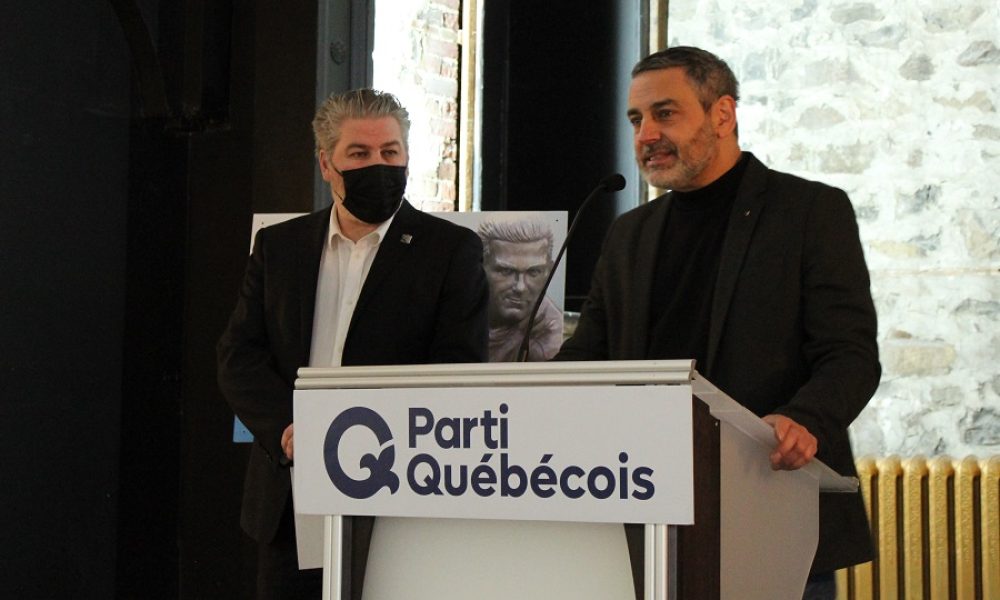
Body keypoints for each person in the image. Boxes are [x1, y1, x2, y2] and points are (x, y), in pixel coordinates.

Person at [555, 46, 880, 600]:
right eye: (636, 119)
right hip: (644, 509)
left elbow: (849, 354)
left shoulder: (808, 212)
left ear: (722, 114)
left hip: (771, 500)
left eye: (665, 113)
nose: (646, 134)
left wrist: (804, 418)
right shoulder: (630, 233)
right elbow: (591, 354)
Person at [216, 88, 489, 599]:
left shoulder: (450, 250)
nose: (378, 166)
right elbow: (239, 355)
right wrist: (289, 430)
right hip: (291, 497)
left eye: (390, 152)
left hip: (400, 495)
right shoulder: (281, 246)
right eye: (359, 155)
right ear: (326, 163)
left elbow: (458, 366)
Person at [477, 219, 563, 361]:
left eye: (534, 272)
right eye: (505, 271)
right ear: (480, 267)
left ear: (549, 270)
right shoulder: (456, 309)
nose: (520, 287)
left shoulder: (547, 337)